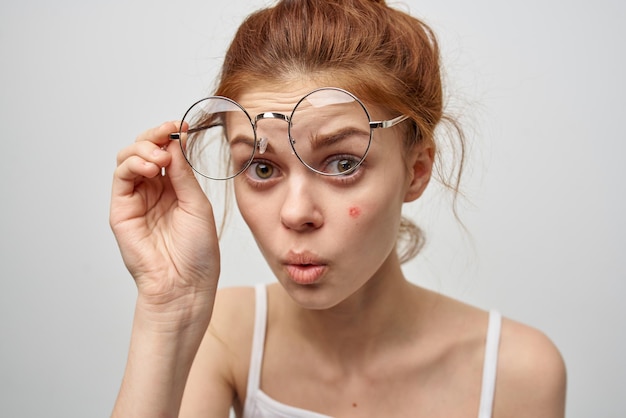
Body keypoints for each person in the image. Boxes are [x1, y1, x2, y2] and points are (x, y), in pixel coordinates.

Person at [109, 0, 567, 417]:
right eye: (262, 168)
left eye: (343, 163)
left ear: (417, 169)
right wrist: (168, 309)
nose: (296, 214)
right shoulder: (220, 334)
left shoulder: (516, 372)